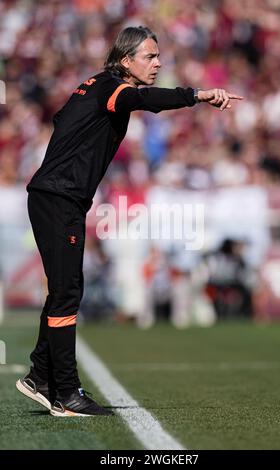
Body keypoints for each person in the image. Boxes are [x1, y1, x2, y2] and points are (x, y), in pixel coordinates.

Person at [16, 26, 243, 417]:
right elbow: (144, 99)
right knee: (68, 291)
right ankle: (66, 394)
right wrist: (197, 95)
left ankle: (40, 375)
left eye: (158, 57)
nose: (157, 63)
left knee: (65, 289)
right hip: (60, 199)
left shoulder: (94, 84)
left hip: (55, 196)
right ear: (126, 61)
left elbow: (61, 117)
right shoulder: (115, 89)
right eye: (150, 57)